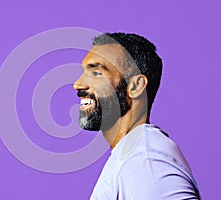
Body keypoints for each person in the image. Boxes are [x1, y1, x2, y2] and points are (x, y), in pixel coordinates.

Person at [73, 33, 201, 199]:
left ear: (135, 86)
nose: (78, 84)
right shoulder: (133, 155)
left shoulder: (146, 161)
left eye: (97, 73)